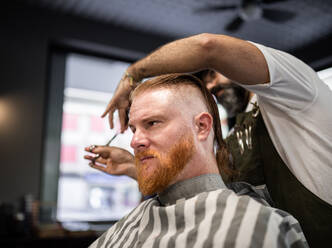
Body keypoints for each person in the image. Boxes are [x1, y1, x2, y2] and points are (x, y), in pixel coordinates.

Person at [86, 33, 332, 247]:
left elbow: (208, 47)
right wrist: (134, 165)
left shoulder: (298, 91)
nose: (211, 86)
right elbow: (212, 189)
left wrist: (133, 75)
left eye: (214, 74)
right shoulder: (237, 132)